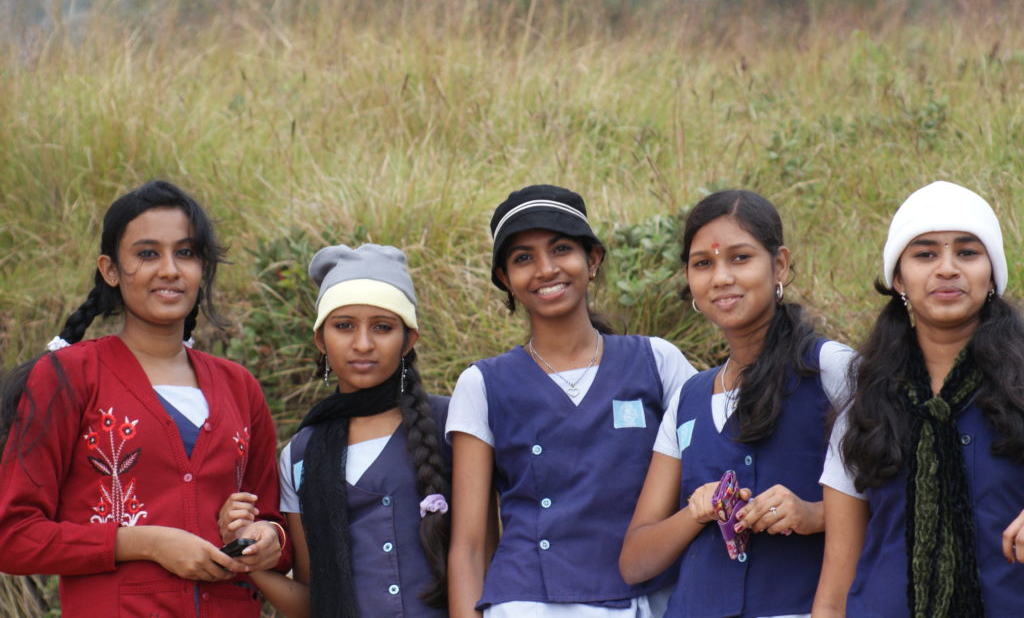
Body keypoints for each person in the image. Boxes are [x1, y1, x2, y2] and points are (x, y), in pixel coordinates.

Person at [0, 180, 287, 617]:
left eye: (186, 253)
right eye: (147, 253)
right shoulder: (69, 376)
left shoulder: (239, 386)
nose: (170, 269)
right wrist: (145, 543)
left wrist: (268, 539)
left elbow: (277, 525)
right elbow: (13, 536)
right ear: (111, 269)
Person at [447, 184, 699, 617]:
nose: (546, 269)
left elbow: (709, 469)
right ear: (505, 279)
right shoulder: (481, 385)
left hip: (653, 597)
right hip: (531, 604)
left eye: (561, 249)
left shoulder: (657, 362)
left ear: (593, 259)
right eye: (523, 258)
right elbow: (468, 546)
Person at [619, 189, 853, 618]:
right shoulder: (688, 398)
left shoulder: (831, 371)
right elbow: (636, 561)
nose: (721, 277)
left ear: (779, 264)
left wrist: (815, 515)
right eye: (703, 263)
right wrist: (696, 512)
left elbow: (901, 510)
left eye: (740, 258)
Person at [812, 181, 1024, 618]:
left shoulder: (1019, 385)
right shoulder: (866, 401)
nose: (947, 268)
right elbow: (837, 579)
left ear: (992, 274)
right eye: (925, 254)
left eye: (967, 252)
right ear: (898, 278)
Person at [220, 243, 450, 618]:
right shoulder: (301, 455)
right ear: (320, 340)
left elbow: (483, 558)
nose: (363, 344)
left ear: (409, 340)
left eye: (382, 327)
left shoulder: (451, 424)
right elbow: (313, 603)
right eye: (344, 326)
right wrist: (247, 555)